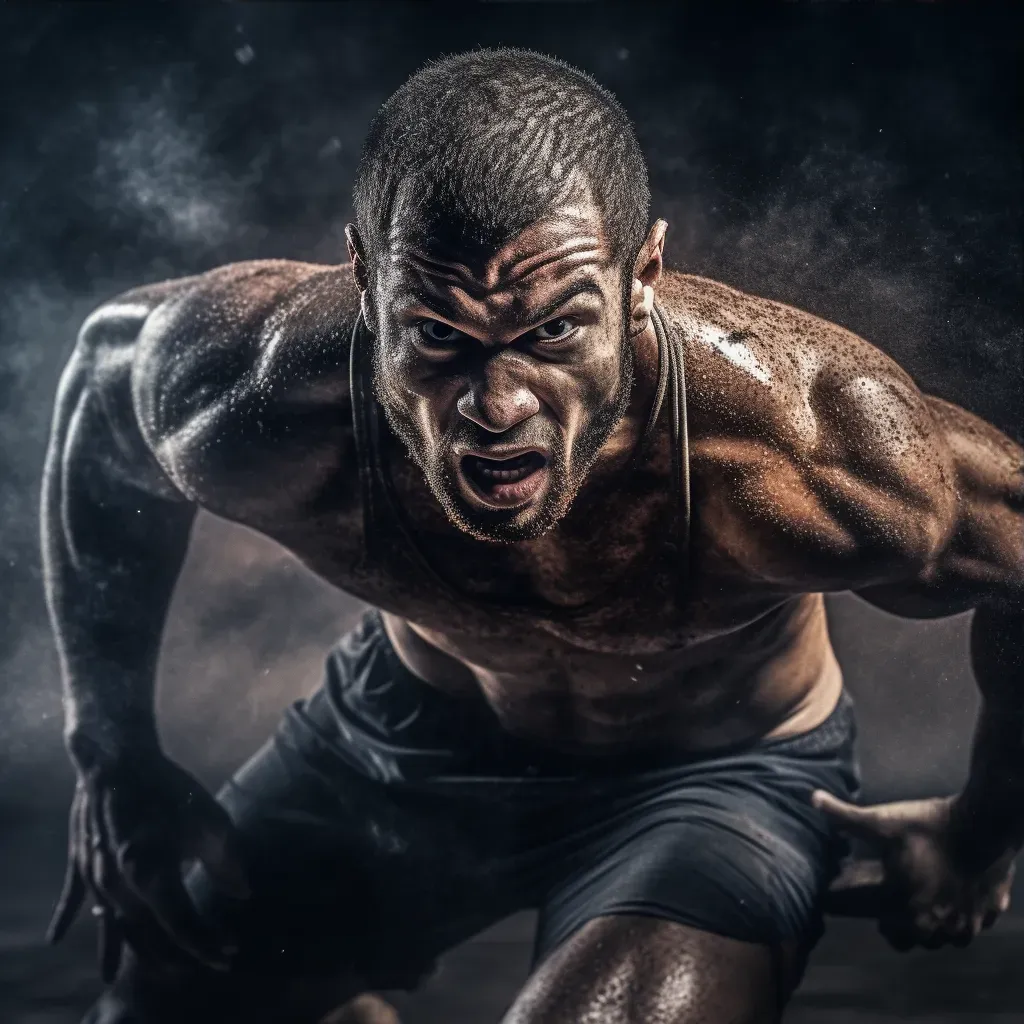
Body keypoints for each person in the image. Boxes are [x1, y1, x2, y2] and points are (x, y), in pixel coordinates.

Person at [42, 48, 1022, 1024]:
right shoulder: (263, 386)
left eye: (552, 334)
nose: (497, 404)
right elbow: (103, 385)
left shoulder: (808, 445)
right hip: (408, 731)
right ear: (367, 279)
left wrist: (979, 835)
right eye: (437, 336)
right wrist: (113, 751)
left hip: (710, 777)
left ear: (641, 276)